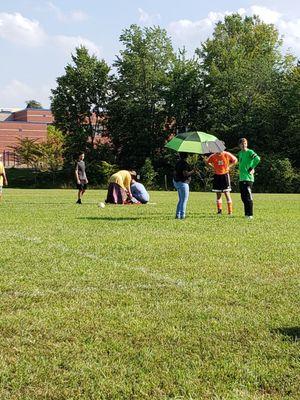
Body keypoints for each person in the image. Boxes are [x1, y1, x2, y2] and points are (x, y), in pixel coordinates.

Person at [205, 150, 237, 215]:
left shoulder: (226, 154)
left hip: (225, 175)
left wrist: (229, 166)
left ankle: (230, 211)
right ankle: (219, 211)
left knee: (227, 193)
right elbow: (207, 162)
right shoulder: (213, 156)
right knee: (218, 194)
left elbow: (235, 160)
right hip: (217, 176)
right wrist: (213, 167)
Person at [237, 138, 261, 219]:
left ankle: (250, 215)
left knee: (248, 197)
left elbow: (257, 159)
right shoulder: (240, 153)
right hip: (241, 178)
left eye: (245, 143)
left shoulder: (250, 152)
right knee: (243, 197)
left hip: (248, 178)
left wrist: (251, 167)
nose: (244, 145)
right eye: (242, 144)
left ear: (247, 144)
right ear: (239, 145)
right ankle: (246, 214)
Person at [173, 152, 196, 219]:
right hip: (183, 183)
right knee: (184, 200)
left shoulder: (177, 163)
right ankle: (182, 216)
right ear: (187, 157)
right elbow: (185, 174)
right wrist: (193, 171)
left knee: (180, 200)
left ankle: (177, 215)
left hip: (177, 182)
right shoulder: (185, 164)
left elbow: (174, 172)